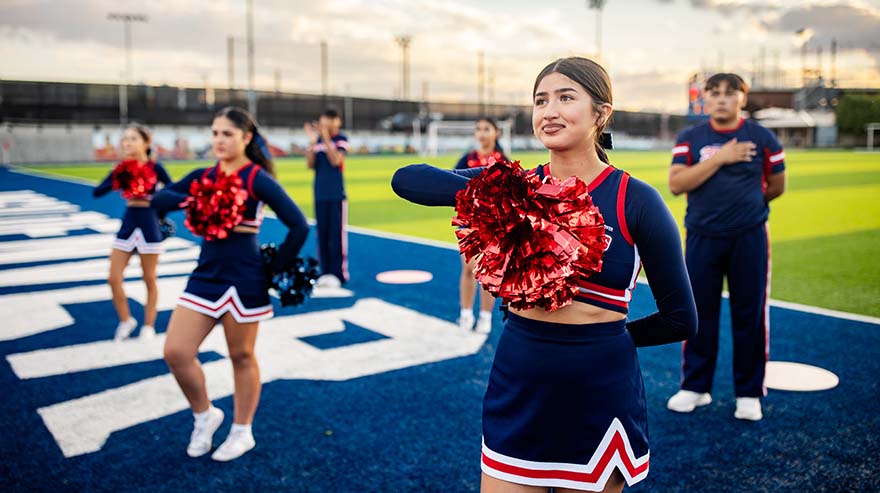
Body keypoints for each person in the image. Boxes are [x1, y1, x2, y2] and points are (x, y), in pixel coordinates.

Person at [392, 57, 697, 493]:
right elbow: (408, 180)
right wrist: (496, 192)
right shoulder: (515, 185)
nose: (549, 111)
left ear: (601, 113)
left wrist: (610, 339)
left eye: (566, 97)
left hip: (599, 385)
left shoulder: (637, 200)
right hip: (521, 376)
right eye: (540, 100)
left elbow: (681, 317)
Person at [153, 107, 309, 461]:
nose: (219, 140)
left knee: (241, 355)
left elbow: (299, 225)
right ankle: (205, 415)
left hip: (245, 277)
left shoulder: (257, 179)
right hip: (205, 274)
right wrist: (196, 195)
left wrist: (274, 270)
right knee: (176, 352)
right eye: (215, 133)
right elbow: (160, 200)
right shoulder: (201, 175)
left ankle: (242, 431)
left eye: (227, 134)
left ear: (246, 138)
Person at [666, 73, 786, 422]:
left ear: (742, 99)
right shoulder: (692, 137)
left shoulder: (762, 137)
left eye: (729, 93)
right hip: (702, 236)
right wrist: (721, 158)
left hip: (749, 237)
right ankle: (695, 387)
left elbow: (777, 184)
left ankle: (748, 393)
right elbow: (676, 183)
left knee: (750, 314)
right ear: (704, 98)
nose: (721, 99)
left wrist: (748, 208)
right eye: (713, 93)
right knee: (699, 313)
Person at [93, 124, 172, 341]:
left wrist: (160, 206)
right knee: (113, 278)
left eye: (133, 139)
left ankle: (149, 325)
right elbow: (98, 192)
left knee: (149, 278)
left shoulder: (156, 169)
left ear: (145, 143)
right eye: (125, 139)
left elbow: (174, 192)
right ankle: (126, 319)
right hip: (128, 224)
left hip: (149, 224)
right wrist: (116, 177)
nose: (127, 143)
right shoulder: (122, 169)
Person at [454, 118, 509, 333]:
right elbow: (451, 183)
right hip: (468, 222)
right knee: (467, 269)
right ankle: (466, 314)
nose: (482, 133)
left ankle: (485, 317)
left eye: (487, 129)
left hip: (493, 225)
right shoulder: (467, 159)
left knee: (487, 272)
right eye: (478, 129)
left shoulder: (502, 161)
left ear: (496, 133)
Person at [304, 108, 350, 287]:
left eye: (329, 121)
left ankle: (339, 274)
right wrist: (311, 143)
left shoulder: (341, 139)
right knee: (321, 234)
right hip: (319, 193)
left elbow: (336, 160)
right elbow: (310, 164)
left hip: (336, 194)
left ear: (337, 122)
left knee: (336, 235)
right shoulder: (317, 141)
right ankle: (324, 272)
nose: (325, 125)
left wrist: (325, 137)